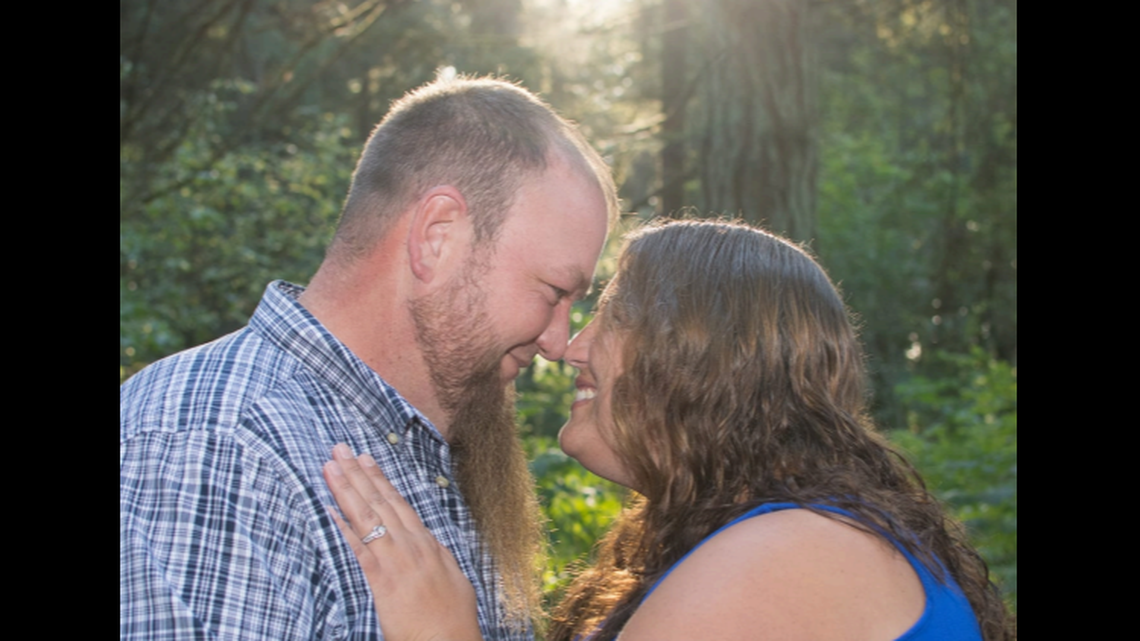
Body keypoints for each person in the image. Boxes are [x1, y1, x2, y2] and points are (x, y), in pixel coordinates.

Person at [325, 219, 1016, 641]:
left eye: (614, 315)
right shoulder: (793, 535)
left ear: (703, 355)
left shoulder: (787, 554)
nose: (570, 348)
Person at [120, 76, 618, 639]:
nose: (558, 342)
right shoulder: (216, 452)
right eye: (554, 291)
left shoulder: (435, 451)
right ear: (437, 235)